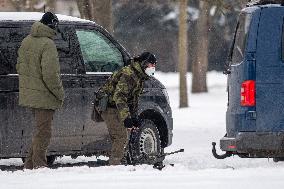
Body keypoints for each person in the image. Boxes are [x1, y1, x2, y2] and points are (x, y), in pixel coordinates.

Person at [16, 12, 64, 169]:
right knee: (44, 133)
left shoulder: (26, 41)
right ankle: (39, 166)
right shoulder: (47, 44)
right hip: (44, 96)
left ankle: (29, 165)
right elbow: (50, 74)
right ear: (52, 25)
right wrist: (59, 93)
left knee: (39, 131)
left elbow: (20, 67)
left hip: (30, 94)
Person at [95, 52, 157, 165]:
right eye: (150, 65)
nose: (152, 68)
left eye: (154, 65)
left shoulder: (140, 76)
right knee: (120, 136)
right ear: (143, 64)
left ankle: (120, 160)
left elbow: (133, 99)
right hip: (108, 106)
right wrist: (126, 118)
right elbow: (119, 96)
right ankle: (115, 164)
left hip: (117, 105)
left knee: (124, 135)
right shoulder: (129, 74)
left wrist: (134, 117)